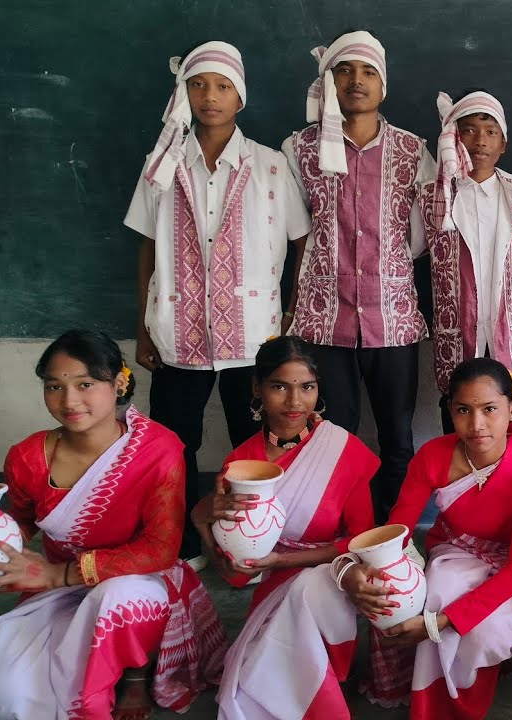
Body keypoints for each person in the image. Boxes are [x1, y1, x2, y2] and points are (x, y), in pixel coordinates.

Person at [0, 330, 225, 720]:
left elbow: (160, 550)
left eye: (85, 384)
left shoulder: (158, 449)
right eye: (54, 386)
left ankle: (135, 675)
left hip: (141, 583)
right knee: (7, 695)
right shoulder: (27, 457)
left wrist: (60, 574)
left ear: (119, 383)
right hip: (58, 587)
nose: (69, 401)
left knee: (115, 598)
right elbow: (19, 524)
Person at [124, 40, 311, 567]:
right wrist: (141, 326)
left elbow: (302, 241)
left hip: (253, 338)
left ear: (240, 98)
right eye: (199, 84)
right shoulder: (161, 166)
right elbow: (147, 245)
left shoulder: (271, 167)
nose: (211, 96)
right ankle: (182, 545)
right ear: (184, 94)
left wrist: (292, 312)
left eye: (223, 86)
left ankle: (249, 545)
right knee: (172, 447)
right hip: (176, 333)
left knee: (252, 445)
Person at [349, 357, 512, 718]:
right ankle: (432, 703)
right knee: (435, 588)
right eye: (463, 410)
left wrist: (439, 623)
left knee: (487, 634)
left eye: (489, 409)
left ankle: (470, 695)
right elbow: (399, 530)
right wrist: (369, 573)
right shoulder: (434, 455)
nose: (476, 424)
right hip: (456, 550)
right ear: (450, 410)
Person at [282, 30, 436, 521]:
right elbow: (292, 231)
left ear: (383, 86)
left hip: (393, 320)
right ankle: (343, 533)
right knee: (335, 434)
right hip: (324, 322)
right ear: (327, 82)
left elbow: (424, 232)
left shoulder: (413, 151)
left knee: (397, 435)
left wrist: (386, 265)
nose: (356, 81)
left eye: (368, 71)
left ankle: (391, 535)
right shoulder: (299, 149)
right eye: (344, 70)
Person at [191, 335, 383, 719]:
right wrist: (207, 530)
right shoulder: (241, 464)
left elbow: (361, 542)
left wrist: (281, 561)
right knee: (249, 682)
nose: (295, 402)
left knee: (313, 588)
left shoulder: (342, 449)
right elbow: (232, 564)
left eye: (307, 387)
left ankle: (319, 692)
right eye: (280, 386)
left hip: (337, 576)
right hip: (273, 584)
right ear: (257, 388)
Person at [416, 90, 512, 438]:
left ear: (504, 144)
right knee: (460, 435)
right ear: (454, 138)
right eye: (467, 130)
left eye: (490, 131)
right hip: (458, 337)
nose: (479, 141)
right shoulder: (432, 195)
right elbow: (405, 252)